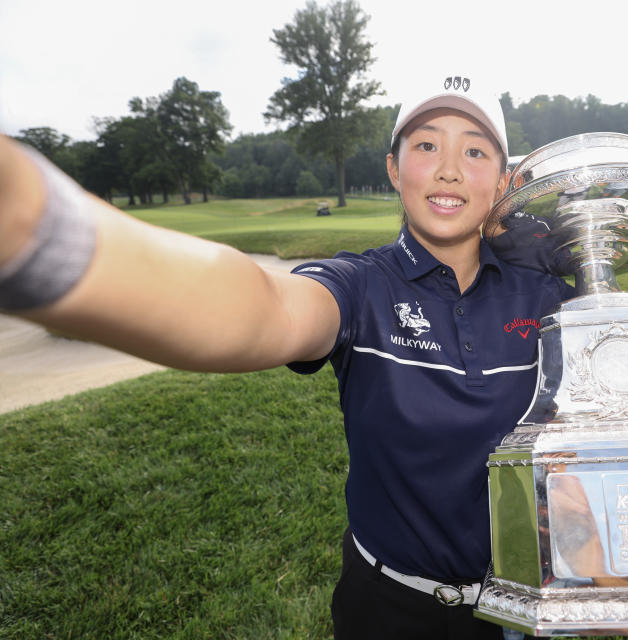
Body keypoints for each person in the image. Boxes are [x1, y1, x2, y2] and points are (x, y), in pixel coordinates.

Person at [0, 74, 575, 640]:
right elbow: (265, 306)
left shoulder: (545, 292)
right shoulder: (359, 284)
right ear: (394, 170)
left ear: (503, 181)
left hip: (520, 609)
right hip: (387, 605)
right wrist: (41, 234)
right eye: (426, 144)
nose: (449, 167)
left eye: (474, 151)